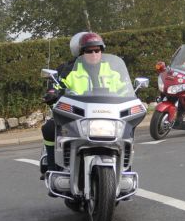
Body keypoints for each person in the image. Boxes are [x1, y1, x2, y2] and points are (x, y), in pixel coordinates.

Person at [40, 31, 88, 180]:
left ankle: (125, 169)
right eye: (87, 50)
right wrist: (52, 92)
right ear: (78, 50)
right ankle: (52, 168)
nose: (92, 53)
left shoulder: (108, 70)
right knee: (49, 128)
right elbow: (57, 85)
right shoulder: (66, 69)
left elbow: (121, 87)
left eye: (96, 50)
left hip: (101, 113)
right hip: (73, 113)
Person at [61, 32, 127, 95]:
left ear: (101, 51)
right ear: (82, 53)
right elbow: (60, 87)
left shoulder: (111, 70)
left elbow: (124, 90)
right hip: (79, 106)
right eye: (89, 51)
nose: (94, 54)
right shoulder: (72, 71)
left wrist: (129, 93)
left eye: (97, 50)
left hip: (110, 106)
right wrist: (54, 92)